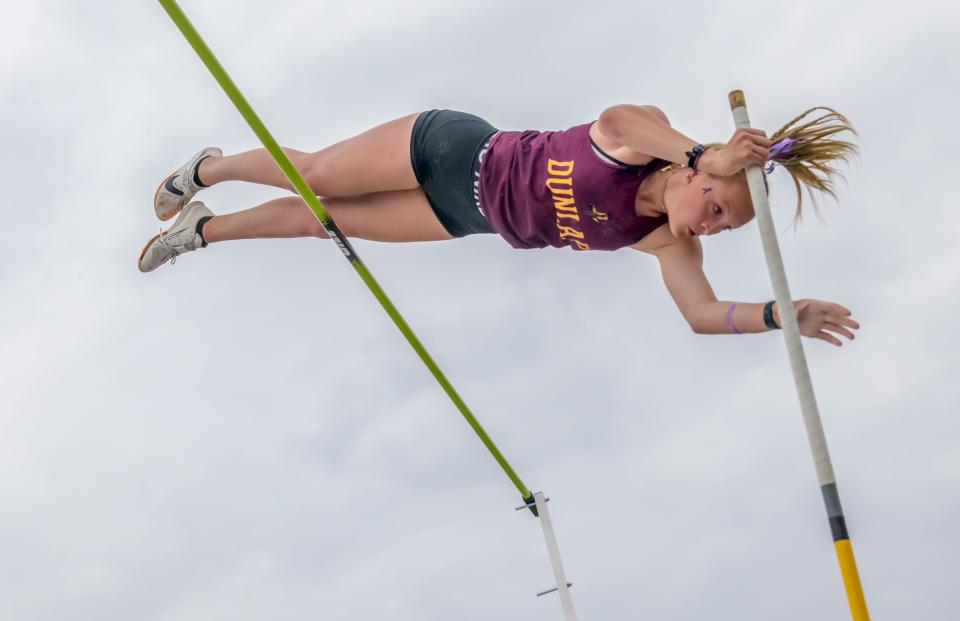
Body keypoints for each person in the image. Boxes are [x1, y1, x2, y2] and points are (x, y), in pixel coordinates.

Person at [139, 104, 860, 345]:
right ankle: (210, 169)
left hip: (459, 215)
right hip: (454, 149)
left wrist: (780, 314)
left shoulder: (663, 239)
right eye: (716, 207)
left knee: (319, 222)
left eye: (723, 229)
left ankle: (198, 231)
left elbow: (700, 315)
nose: (708, 226)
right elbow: (614, 119)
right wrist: (709, 151)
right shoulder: (650, 140)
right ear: (703, 177)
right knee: (319, 175)